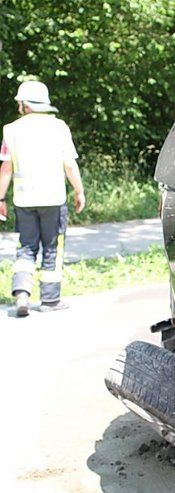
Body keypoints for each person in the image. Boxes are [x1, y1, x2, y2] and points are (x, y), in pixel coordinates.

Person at [0, 80, 86, 317]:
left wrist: (0, 199)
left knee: (26, 247)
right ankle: (50, 299)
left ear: (25, 104)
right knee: (52, 248)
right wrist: (79, 191)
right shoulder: (59, 127)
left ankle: (22, 292)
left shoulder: (11, 130)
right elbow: (70, 164)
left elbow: (6, 168)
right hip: (53, 200)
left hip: (24, 201)